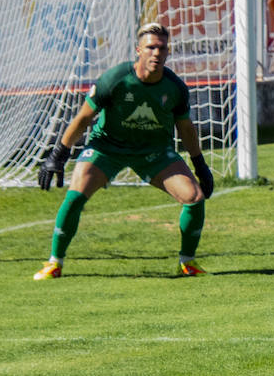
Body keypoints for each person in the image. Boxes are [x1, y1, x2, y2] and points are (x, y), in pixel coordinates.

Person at [34, 23, 214, 280]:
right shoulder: (115, 79)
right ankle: (54, 263)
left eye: (162, 48)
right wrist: (58, 154)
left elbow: (186, 129)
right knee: (74, 197)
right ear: (138, 50)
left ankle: (187, 263)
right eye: (151, 47)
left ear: (168, 52)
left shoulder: (175, 87)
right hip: (107, 147)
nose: (156, 53)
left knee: (194, 197)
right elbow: (84, 118)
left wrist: (200, 166)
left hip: (153, 152)